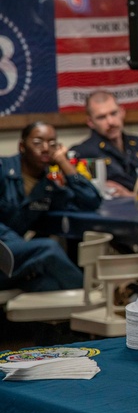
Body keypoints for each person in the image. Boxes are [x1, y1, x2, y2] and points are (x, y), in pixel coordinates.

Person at [0, 122, 102, 292]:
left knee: (52, 285)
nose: (46, 148)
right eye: (38, 142)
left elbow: (91, 201)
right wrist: (19, 244)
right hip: (4, 251)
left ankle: (84, 308)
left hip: (13, 262)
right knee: (48, 248)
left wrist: (64, 162)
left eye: (53, 144)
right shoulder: (3, 169)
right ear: (22, 146)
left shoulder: (48, 187)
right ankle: (93, 300)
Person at [71, 90, 138, 197]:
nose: (110, 122)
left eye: (113, 113)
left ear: (122, 112)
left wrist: (129, 194)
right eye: (101, 117)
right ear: (90, 122)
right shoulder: (82, 153)